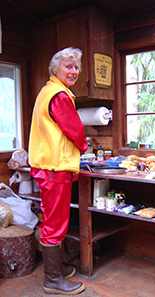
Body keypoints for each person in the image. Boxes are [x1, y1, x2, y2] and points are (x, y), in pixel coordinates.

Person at [28, 47, 88, 295]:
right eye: (68, 67)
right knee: (56, 222)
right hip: (55, 167)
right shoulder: (60, 95)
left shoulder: (46, 91)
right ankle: (52, 280)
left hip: (46, 166)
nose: (73, 71)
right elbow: (75, 130)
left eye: (76, 68)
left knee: (52, 219)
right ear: (56, 69)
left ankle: (57, 270)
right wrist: (84, 146)